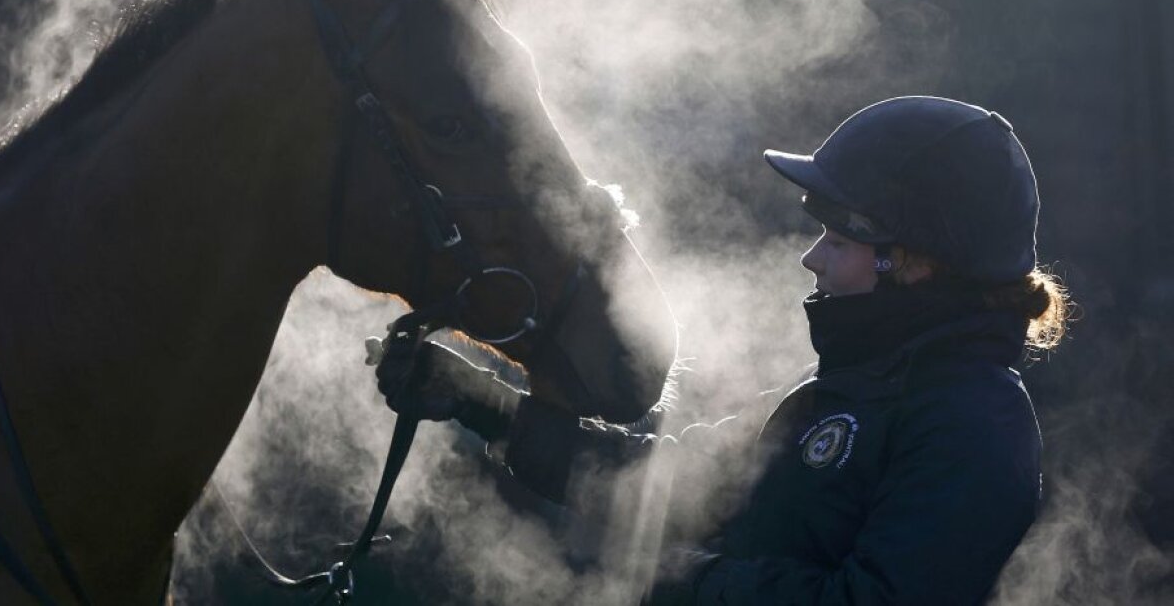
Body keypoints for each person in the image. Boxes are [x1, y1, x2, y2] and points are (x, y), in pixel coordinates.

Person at [375, 95, 1071, 605]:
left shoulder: (975, 424)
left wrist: (685, 581)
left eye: (839, 239)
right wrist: (482, 402)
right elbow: (671, 487)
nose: (812, 258)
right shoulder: (851, 386)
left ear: (915, 263)